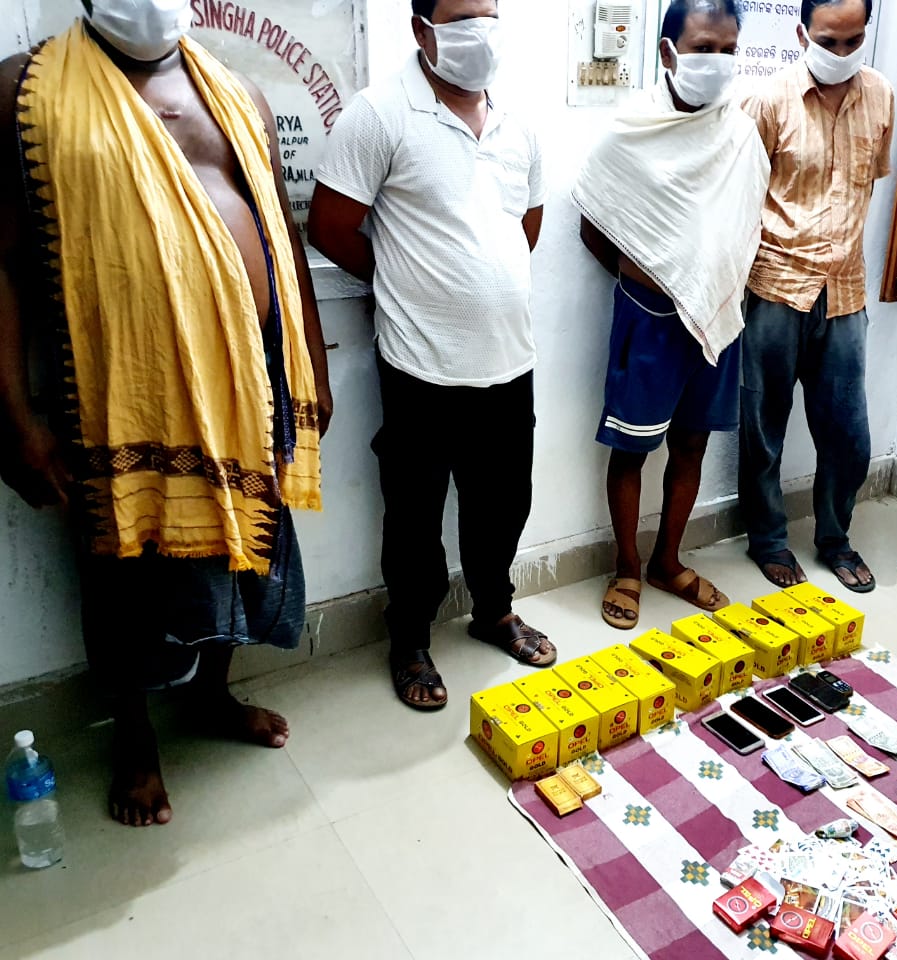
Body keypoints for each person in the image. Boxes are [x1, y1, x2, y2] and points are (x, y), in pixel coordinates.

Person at [0, 0, 333, 827]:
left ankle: (212, 696)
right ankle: (135, 738)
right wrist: (14, 418)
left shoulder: (238, 93)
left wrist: (313, 368)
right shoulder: (26, 91)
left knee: (242, 550)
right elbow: (0, 262)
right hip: (125, 393)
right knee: (125, 572)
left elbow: (283, 237)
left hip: (249, 380)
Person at [309, 0, 554, 711]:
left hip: (509, 361)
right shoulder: (380, 114)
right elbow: (329, 226)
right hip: (420, 365)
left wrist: (478, 280)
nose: (482, 31)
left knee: (503, 504)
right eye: (463, 17)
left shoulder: (517, 123)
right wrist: (405, 282)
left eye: (490, 14)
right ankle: (410, 637)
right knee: (415, 518)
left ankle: (494, 611)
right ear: (422, 29)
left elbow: (526, 226)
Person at [577, 0, 768, 629]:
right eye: (703, 48)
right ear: (668, 52)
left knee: (691, 444)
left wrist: (705, 284)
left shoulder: (739, 134)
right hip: (649, 316)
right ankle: (627, 567)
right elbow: (594, 223)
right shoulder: (631, 130)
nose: (717, 61)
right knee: (632, 449)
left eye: (728, 50)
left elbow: (743, 221)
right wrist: (651, 277)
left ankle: (668, 560)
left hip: (716, 315)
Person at [738, 0, 893, 594]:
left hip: (845, 290)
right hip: (775, 286)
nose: (842, 53)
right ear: (803, 34)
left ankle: (835, 539)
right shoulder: (767, 99)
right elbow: (741, 194)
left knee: (849, 435)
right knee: (763, 427)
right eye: (829, 41)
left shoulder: (880, 95)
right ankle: (768, 541)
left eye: (854, 40)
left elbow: (868, 185)